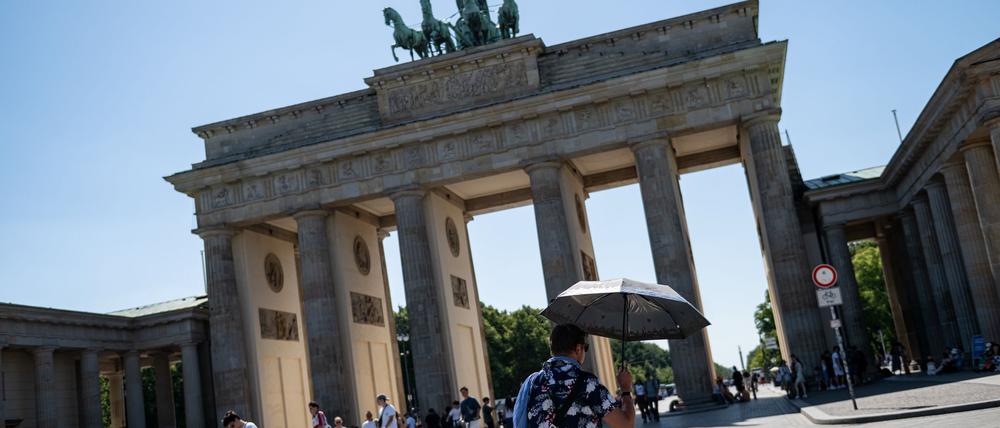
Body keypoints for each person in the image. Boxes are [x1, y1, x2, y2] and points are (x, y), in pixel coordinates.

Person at [513, 323, 635, 428]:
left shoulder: (532, 382)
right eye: (585, 348)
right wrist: (625, 390)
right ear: (578, 348)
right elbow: (625, 425)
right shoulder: (588, 384)